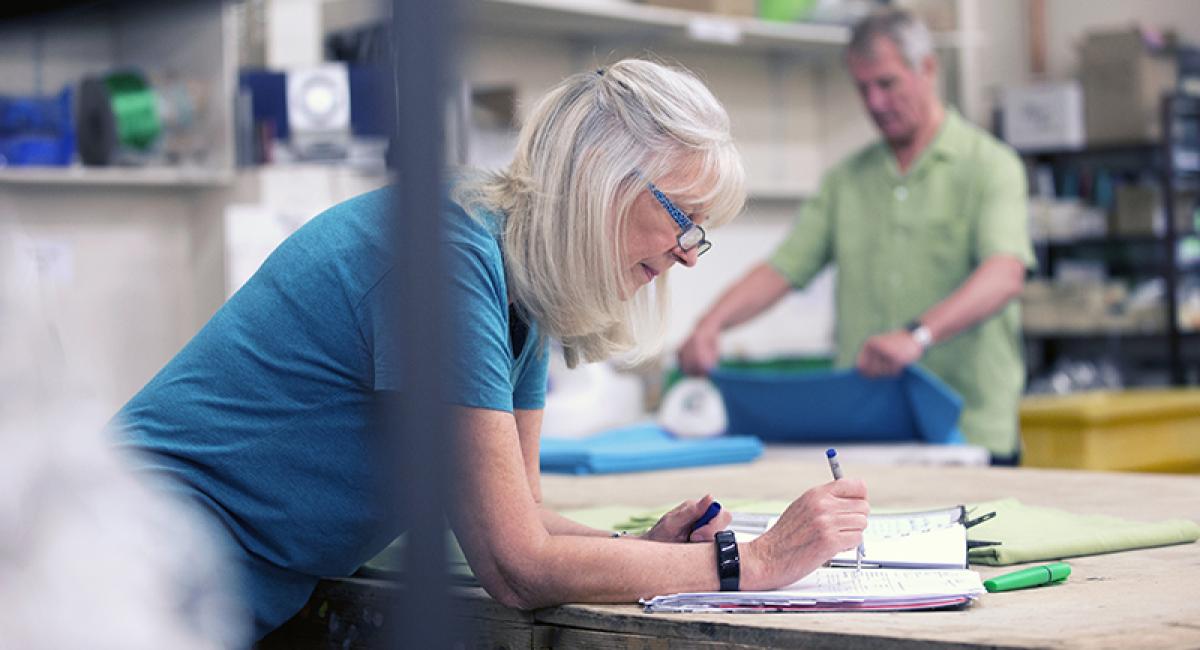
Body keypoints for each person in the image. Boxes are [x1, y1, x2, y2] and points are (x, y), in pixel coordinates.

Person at [112, 59, 869, 639]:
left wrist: (644, 546)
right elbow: (516, 566)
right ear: (602, 179)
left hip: (204, 598)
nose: (690, 253)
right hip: (123, 574)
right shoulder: (443, 256)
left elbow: (520, 518)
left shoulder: (521, 276)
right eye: (685, 218)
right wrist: (754, 564)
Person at [678, 9, 1034, 464]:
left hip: (971, 431)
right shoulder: (846, 181)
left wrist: (917, 336)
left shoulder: (991, 167)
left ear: (926, 69)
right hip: (872, 436)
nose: (875, 103)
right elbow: (784, 268)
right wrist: (711, 325)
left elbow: (1005, 274)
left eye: (886, 84)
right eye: (862, 88)